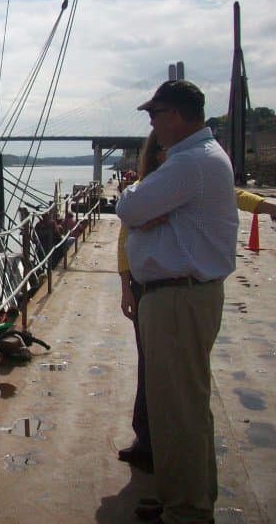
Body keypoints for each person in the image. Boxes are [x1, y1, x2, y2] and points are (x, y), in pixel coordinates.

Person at [115, 80, 238, 524]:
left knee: (177, 409)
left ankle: (186, 511)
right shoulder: (199, 160)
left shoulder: (190, 164)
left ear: (177, 115)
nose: (151, 123)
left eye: (155, 113)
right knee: (184, 403)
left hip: (177, 299)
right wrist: (147, 211)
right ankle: (186, 496)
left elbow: (128, 209)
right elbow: (142, 211)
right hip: (182, 295)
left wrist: (138, 206)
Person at [116, 130, 165, 472]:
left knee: (165, 371)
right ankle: (146, 437)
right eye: (159, 149)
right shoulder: (147, 189)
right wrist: (125, 285)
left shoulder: (180, 181)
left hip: (169, 286)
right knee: (148, 366)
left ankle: (159, 443)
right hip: (144, 284)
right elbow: (124, 234)